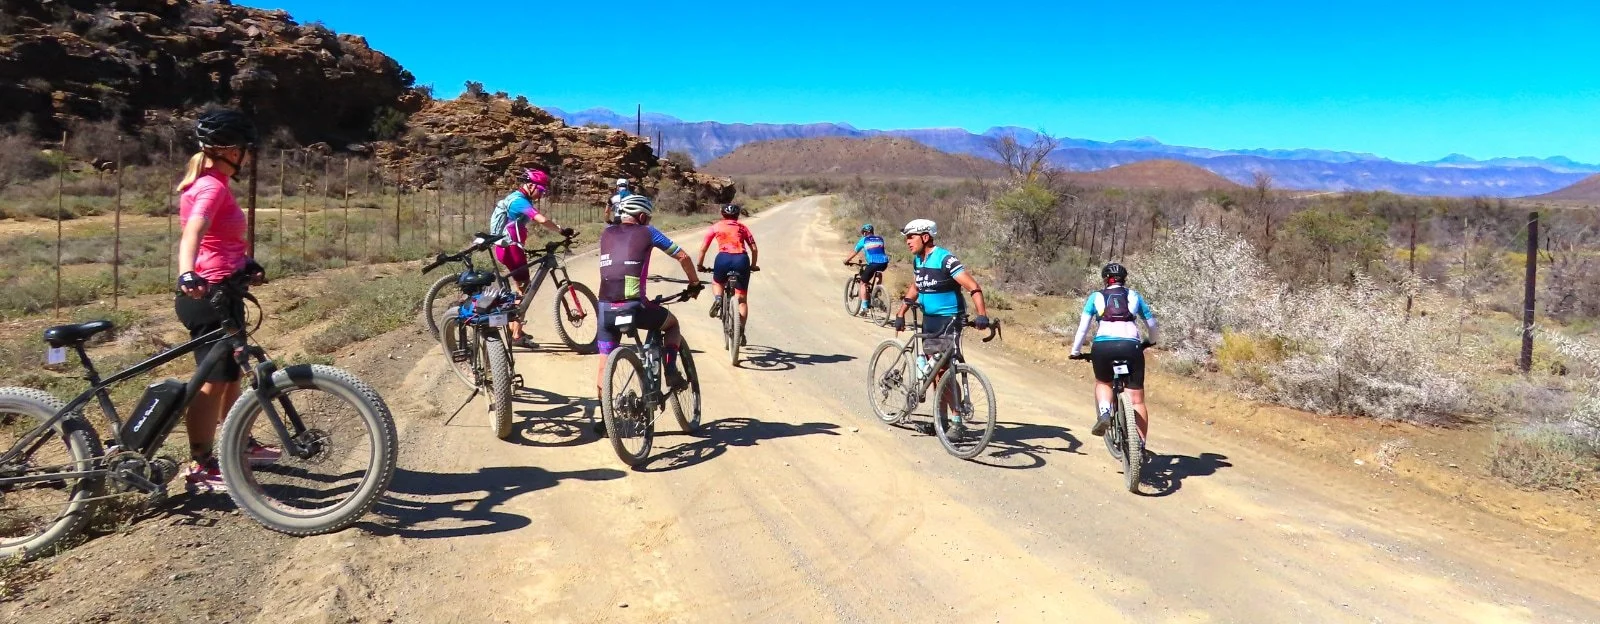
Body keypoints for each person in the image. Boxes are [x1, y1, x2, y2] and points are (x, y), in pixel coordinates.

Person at [173, 108, 278, 493]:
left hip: (224, 288)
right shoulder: (211, 187)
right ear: (231, 150)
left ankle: (237, 442)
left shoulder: (216, 183)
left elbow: (221, 240)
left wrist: (246, 263)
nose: (248, 156)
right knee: (211, 383)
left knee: (231, 373)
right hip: (207, 294)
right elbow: (193, 235)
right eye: (246, 149)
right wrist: (188, 273)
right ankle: (199, 464)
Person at [594, 195, 703, 433]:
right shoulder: (649, 232)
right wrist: (694, 283)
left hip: (604, 307)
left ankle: (605, 420)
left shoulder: (606, 233)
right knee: (672, 324)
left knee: (604, 362)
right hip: (634, 306)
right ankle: (671, 369)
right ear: (642, 217)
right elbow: (682, 256)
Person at [892, 219, 990, 431]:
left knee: (946, 369)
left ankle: (956, 422)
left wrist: (982, 314)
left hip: (949, 320)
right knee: (934, 370)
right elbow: (916, 286)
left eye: (911, 237)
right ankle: (941, 421)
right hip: (929, 320)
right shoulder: (919, 260)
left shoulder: (945, 259)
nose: (908, 242)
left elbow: (973, 286)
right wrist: (901, 313)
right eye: (906, 238)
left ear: (925, 237)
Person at [1068, 262, 1158, 441]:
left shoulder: (1096, 297)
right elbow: (1152, 324)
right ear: (1124, 280)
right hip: (1130, 346)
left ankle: (1104, 413)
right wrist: (1151, 341)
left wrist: (1076, 351)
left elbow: (1083, 329)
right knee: (1137, 399)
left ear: (1105, 280)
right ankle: (1139, 446)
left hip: (1103, 347)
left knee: (1104, 382)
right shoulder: (1134, 296)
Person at [491, 168, 574, 349]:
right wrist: (561, 230)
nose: (541, 194)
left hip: (504, 247)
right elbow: (541, 219)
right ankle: (517, 335)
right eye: (541, 190)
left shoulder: (515, 198)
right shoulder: (519, 201)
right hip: (511, 248)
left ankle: (514, 328)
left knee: (520, 288)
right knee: (526, 290)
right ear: (530, 185)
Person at [696, 204, 758, 341]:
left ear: (722, 214)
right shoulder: (742, 227)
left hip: (723, 259)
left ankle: (718, 298)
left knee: (718, 282)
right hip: (741, 259)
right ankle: (740, 329)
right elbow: (754, 249)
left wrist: (700, 265)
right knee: (741, 300)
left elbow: (703, 249)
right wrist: (753, 265)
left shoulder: (716, 227)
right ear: (737, 216)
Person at [842, 223, 889, 316]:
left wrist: (847, 260)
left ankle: (864, 307)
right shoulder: (880, 239)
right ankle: (877, 289)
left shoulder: (864, 240)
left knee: (863, 283)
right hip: (884, 263)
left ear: (864, 233)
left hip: (872, 263)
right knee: (878, 272)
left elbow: (855, 252)